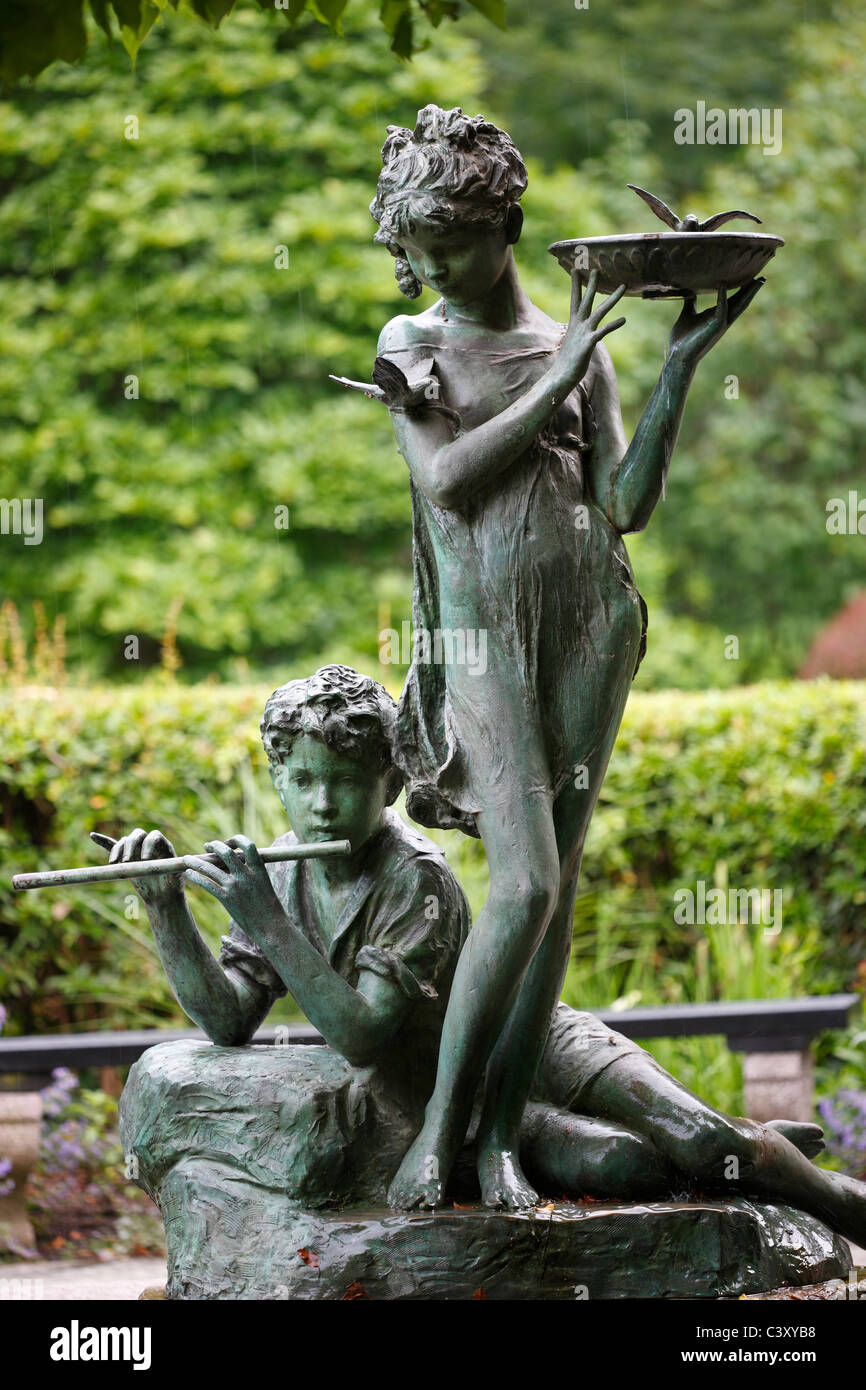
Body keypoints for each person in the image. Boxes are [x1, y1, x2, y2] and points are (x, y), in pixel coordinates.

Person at [366, 104, 766, 1208]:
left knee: (559, 889)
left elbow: (623, 504)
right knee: (525, 879)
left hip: (591, 623)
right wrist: (561, 374)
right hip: (477, 634)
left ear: (507, 223)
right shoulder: (414, 346)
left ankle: (499, 1139)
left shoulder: (570, 342)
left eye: (449, 237)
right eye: (413, 244)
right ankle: (439, 1132)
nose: (429, 263)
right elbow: (447, 482)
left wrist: (677, 365)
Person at [115, 667, 866, 1248]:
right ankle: (738, 1151)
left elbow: (363, 1033)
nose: (321, 804)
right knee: (618, 1168)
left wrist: (270, 924)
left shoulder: (417, 877)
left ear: (390, 784)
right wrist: (165, 909)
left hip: (533, 1045)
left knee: (703, 1142)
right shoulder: (280, 871)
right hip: (448, 1103)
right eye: (303, 781)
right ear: (277, 775)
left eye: (346, 784)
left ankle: (819, 1190)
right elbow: (227, 1019)